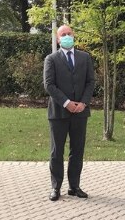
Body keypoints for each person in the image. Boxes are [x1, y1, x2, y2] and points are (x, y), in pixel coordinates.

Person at [44, 25, 95, 201]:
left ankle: (74, 187)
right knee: (56, 152)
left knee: (77, 151)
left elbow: (90, 82)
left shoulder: (85, 57)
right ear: (58, 39)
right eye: (63, 35)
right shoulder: (51, 59)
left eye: (69, 34)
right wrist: (67, 103)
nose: (66, 37)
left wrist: (83, 103)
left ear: (74, 36)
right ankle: (56, 188)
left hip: (80, 112)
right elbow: (49, 85)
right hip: (58, 113)